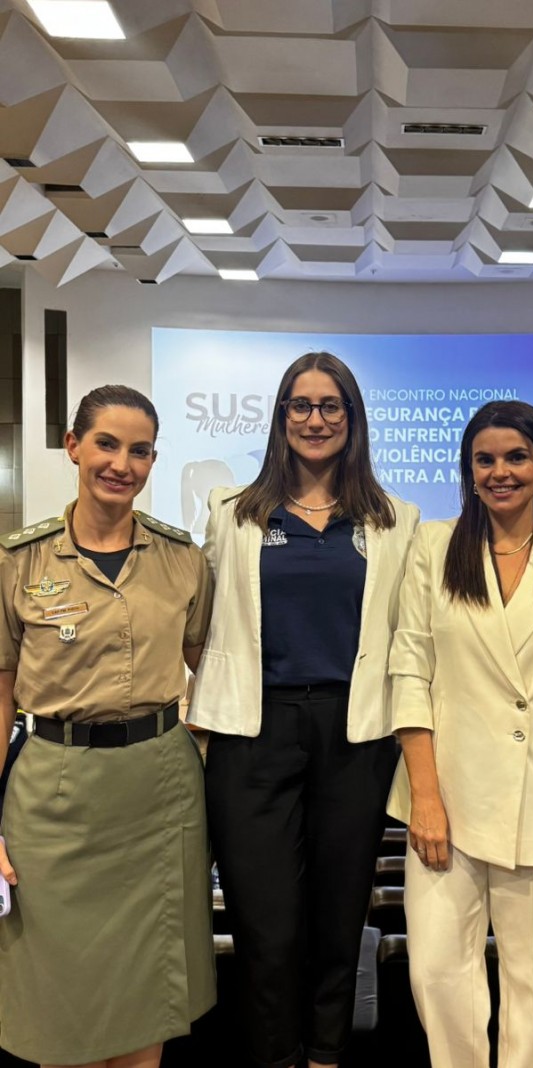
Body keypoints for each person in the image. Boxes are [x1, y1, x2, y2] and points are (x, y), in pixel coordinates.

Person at [187, 351, 419, 1068]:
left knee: (338, 913)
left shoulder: (395, 520)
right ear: (281, 417)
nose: (314, 419)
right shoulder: (231, 514)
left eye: (330, 406)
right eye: (300, 404)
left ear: (351, 420)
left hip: (355, 734)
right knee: (264, 924)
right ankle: (272, 1056)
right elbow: (200, 626)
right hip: (253, 735)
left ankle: (324, 1054)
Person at [387, 400, 533, 1068]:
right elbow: (409, 674)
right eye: (484, 459)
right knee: (436, 976)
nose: (499, 471)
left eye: (515, 457)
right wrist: (423, 797)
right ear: (467, 469)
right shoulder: (433, 546)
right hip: (445, 800)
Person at [0, 385, 215, 1068]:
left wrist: (204, 756)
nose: (122, 463)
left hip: (157, 792)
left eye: (140, 450)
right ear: (73, 447)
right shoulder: (19, 562)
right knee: (62, 1001)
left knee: (147, 991)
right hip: (52, 797)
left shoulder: (181, 558)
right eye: (106, 444)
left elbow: (211, 668)